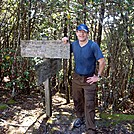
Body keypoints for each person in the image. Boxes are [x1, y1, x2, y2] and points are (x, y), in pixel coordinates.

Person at [62, 24, 105, 134]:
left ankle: (91, 129)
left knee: (89, 104)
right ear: (76, 33)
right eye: (79, 32)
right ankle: (80, 118)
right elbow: (65, 47)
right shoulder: (75, 45)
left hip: (89, 79)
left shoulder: (92, 45)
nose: (81, 34)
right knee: (77, 100)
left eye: (84, 32)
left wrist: (98, 76)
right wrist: (65, 40)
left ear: (87, 34)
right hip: (76, 78)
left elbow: (102, 61)